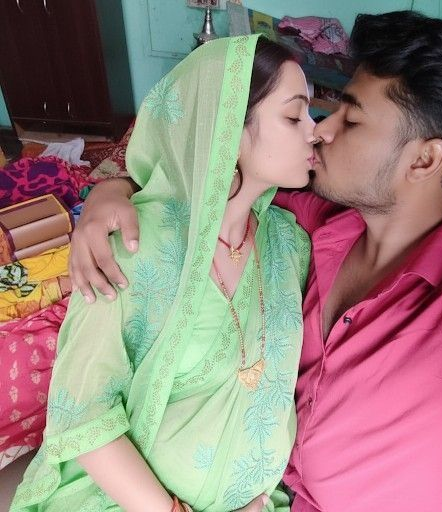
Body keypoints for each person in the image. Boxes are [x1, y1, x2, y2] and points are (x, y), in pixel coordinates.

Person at [69, 10, 442, 511]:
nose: (321, 132)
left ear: (424, 160)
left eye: (351, 119)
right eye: (304, 115)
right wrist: (114, 190)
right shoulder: (314, 222)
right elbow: (208, 170)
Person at [10, 34, 317, 512]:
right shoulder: (135, 244)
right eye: (295, 116)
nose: (315, 131)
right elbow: (83, 412)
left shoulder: (288, 243)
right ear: (226, 127)